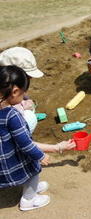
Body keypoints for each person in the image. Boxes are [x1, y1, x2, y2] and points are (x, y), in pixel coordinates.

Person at [0, 47, 76, 153]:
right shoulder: (11, 113)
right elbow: (24, 142)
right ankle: (16, 152)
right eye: (27, 78)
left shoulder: (4, 91)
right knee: (30, 117)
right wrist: (56, 148)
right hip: (8, 153)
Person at [0, 65, 50, 211]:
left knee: (30, 171)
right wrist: (40, 155)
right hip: (10, 161)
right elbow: (25, 143)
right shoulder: (12, 115)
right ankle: (29, 199)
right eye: (23, 93)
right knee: (33, 169)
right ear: (15, 91)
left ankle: (31, 188)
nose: (24, 97)